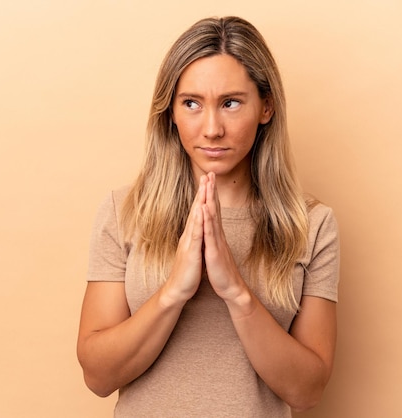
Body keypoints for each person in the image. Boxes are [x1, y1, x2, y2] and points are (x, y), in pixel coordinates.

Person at [77, 16, 339, 417]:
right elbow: (97, 377)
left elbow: (307, 391)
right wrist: (173, 294)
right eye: (192, 103)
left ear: (266, 107)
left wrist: (235, 291)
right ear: (171, 112)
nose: (212, 128)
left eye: (231, 103)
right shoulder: (124, 212)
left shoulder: (312, 225)